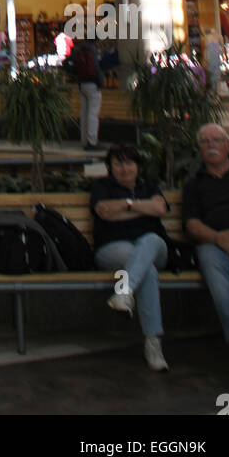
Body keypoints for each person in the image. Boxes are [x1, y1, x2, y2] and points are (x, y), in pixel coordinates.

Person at [183, 123, 229, 376]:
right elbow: (191, 225)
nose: (211, 145)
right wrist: (220, 239)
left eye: (216, 140)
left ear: (228, 146)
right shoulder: (194, 185)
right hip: (213, 245)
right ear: (200, 150)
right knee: (211, 265)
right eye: (205, 141)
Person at [90, 144, 170, 371]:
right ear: (110, 167)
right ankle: (153, 343)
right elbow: (105, 213)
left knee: (151, 240)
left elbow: (160, 209)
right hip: (113, 249)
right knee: (148, 271)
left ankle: (124, 291)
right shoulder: (101, 187)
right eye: (118, 163)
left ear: (137, 166)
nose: (124, 168)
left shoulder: (149, 186)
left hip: (155, 250)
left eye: (129, 163)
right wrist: (141, 208)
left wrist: (125, 207)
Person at [70, 38, 103, 152]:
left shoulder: (78, 50)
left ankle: (84, 141)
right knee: (93, 113)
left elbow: (70, 65)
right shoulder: (92, 49)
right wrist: (100, 82)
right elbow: (96, 67)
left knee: (84, 113)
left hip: (82, 84)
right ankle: (92, 142)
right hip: (93, 84)